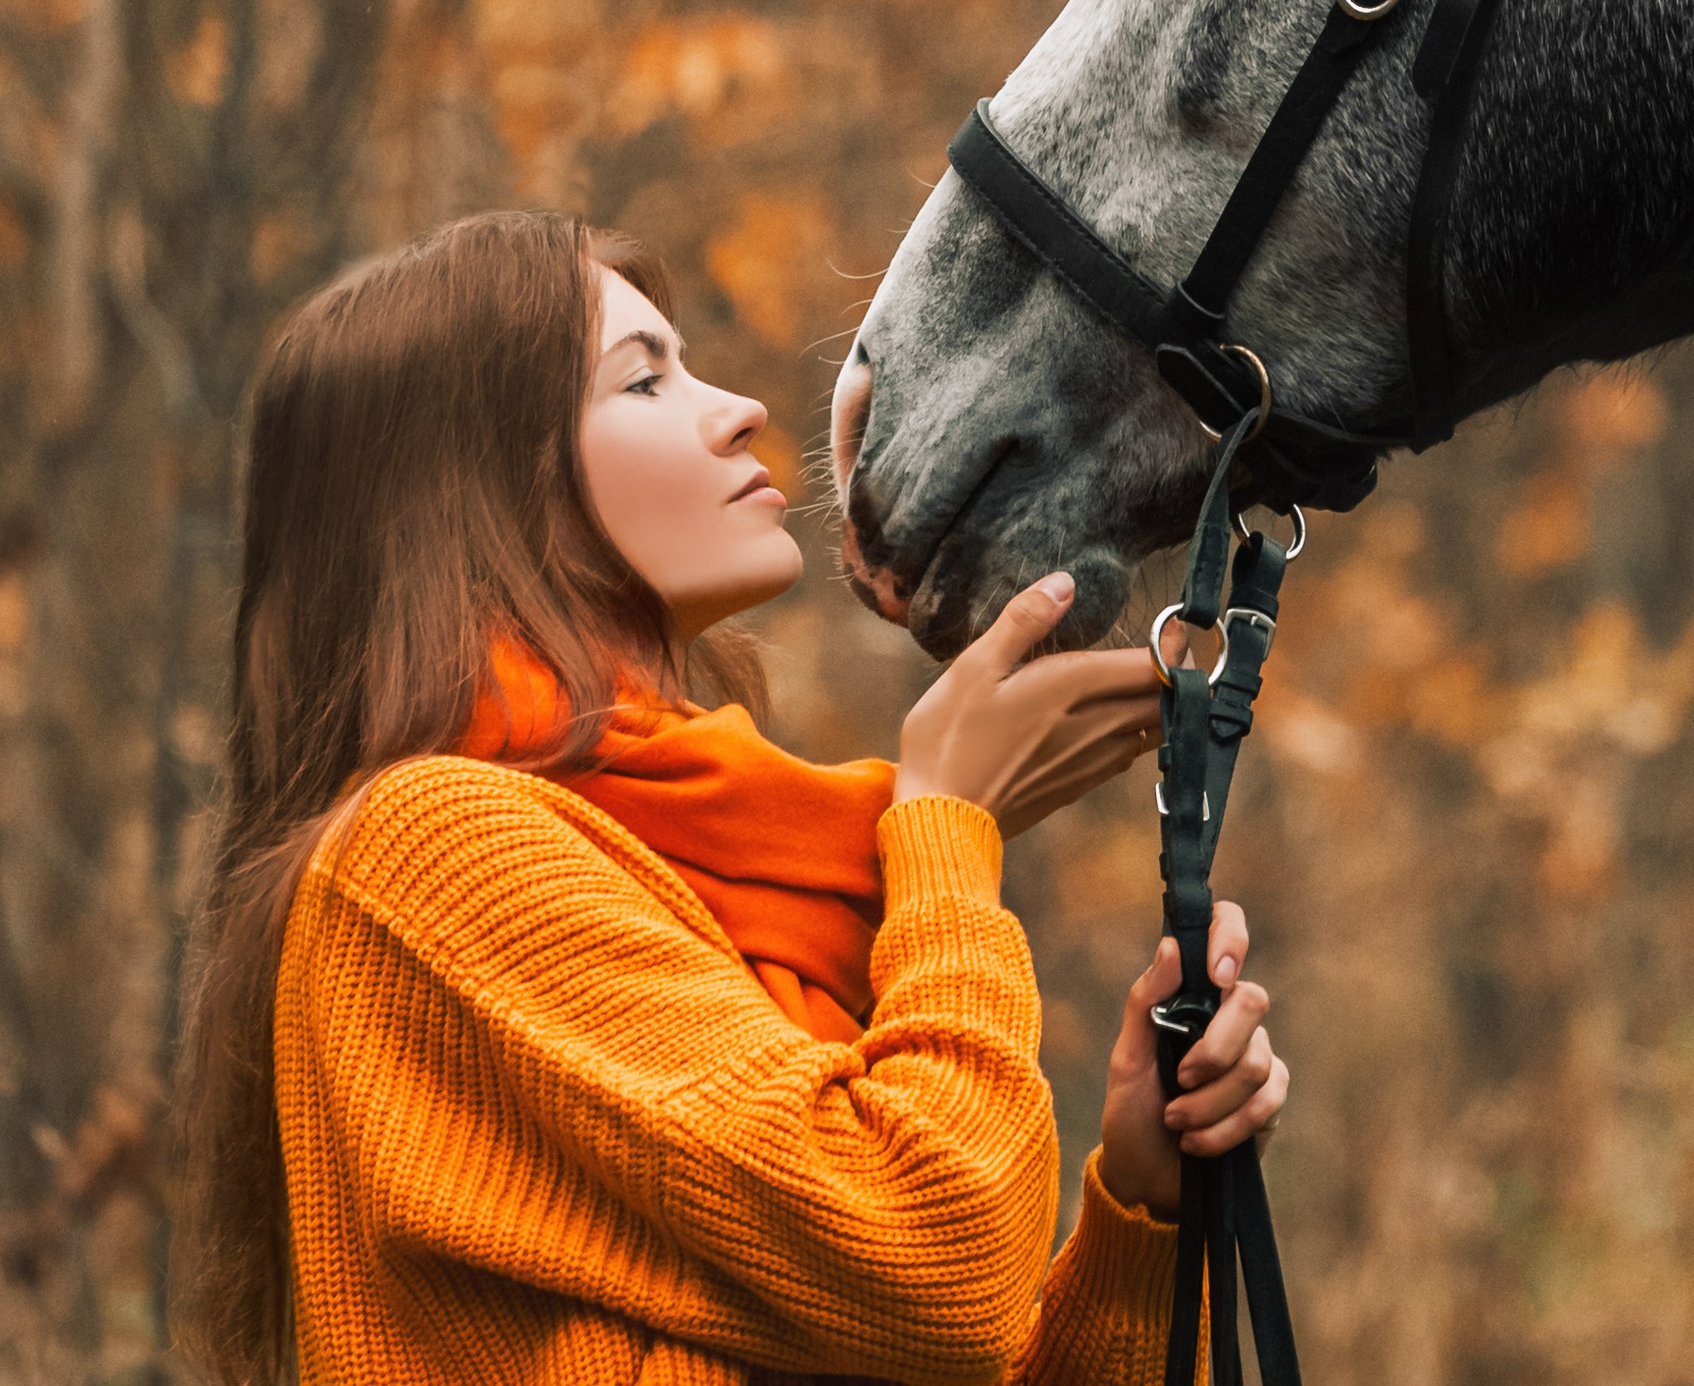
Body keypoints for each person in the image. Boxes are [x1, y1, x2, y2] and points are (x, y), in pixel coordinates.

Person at [170, 210, 1290, 1385]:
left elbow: (937, 1318)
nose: (740, 410)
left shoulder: (746, 893)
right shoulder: (427, 856)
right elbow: (935, 1262)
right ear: (479, 492)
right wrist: (945, 833)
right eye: (644, 381)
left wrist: (1142, 1213)